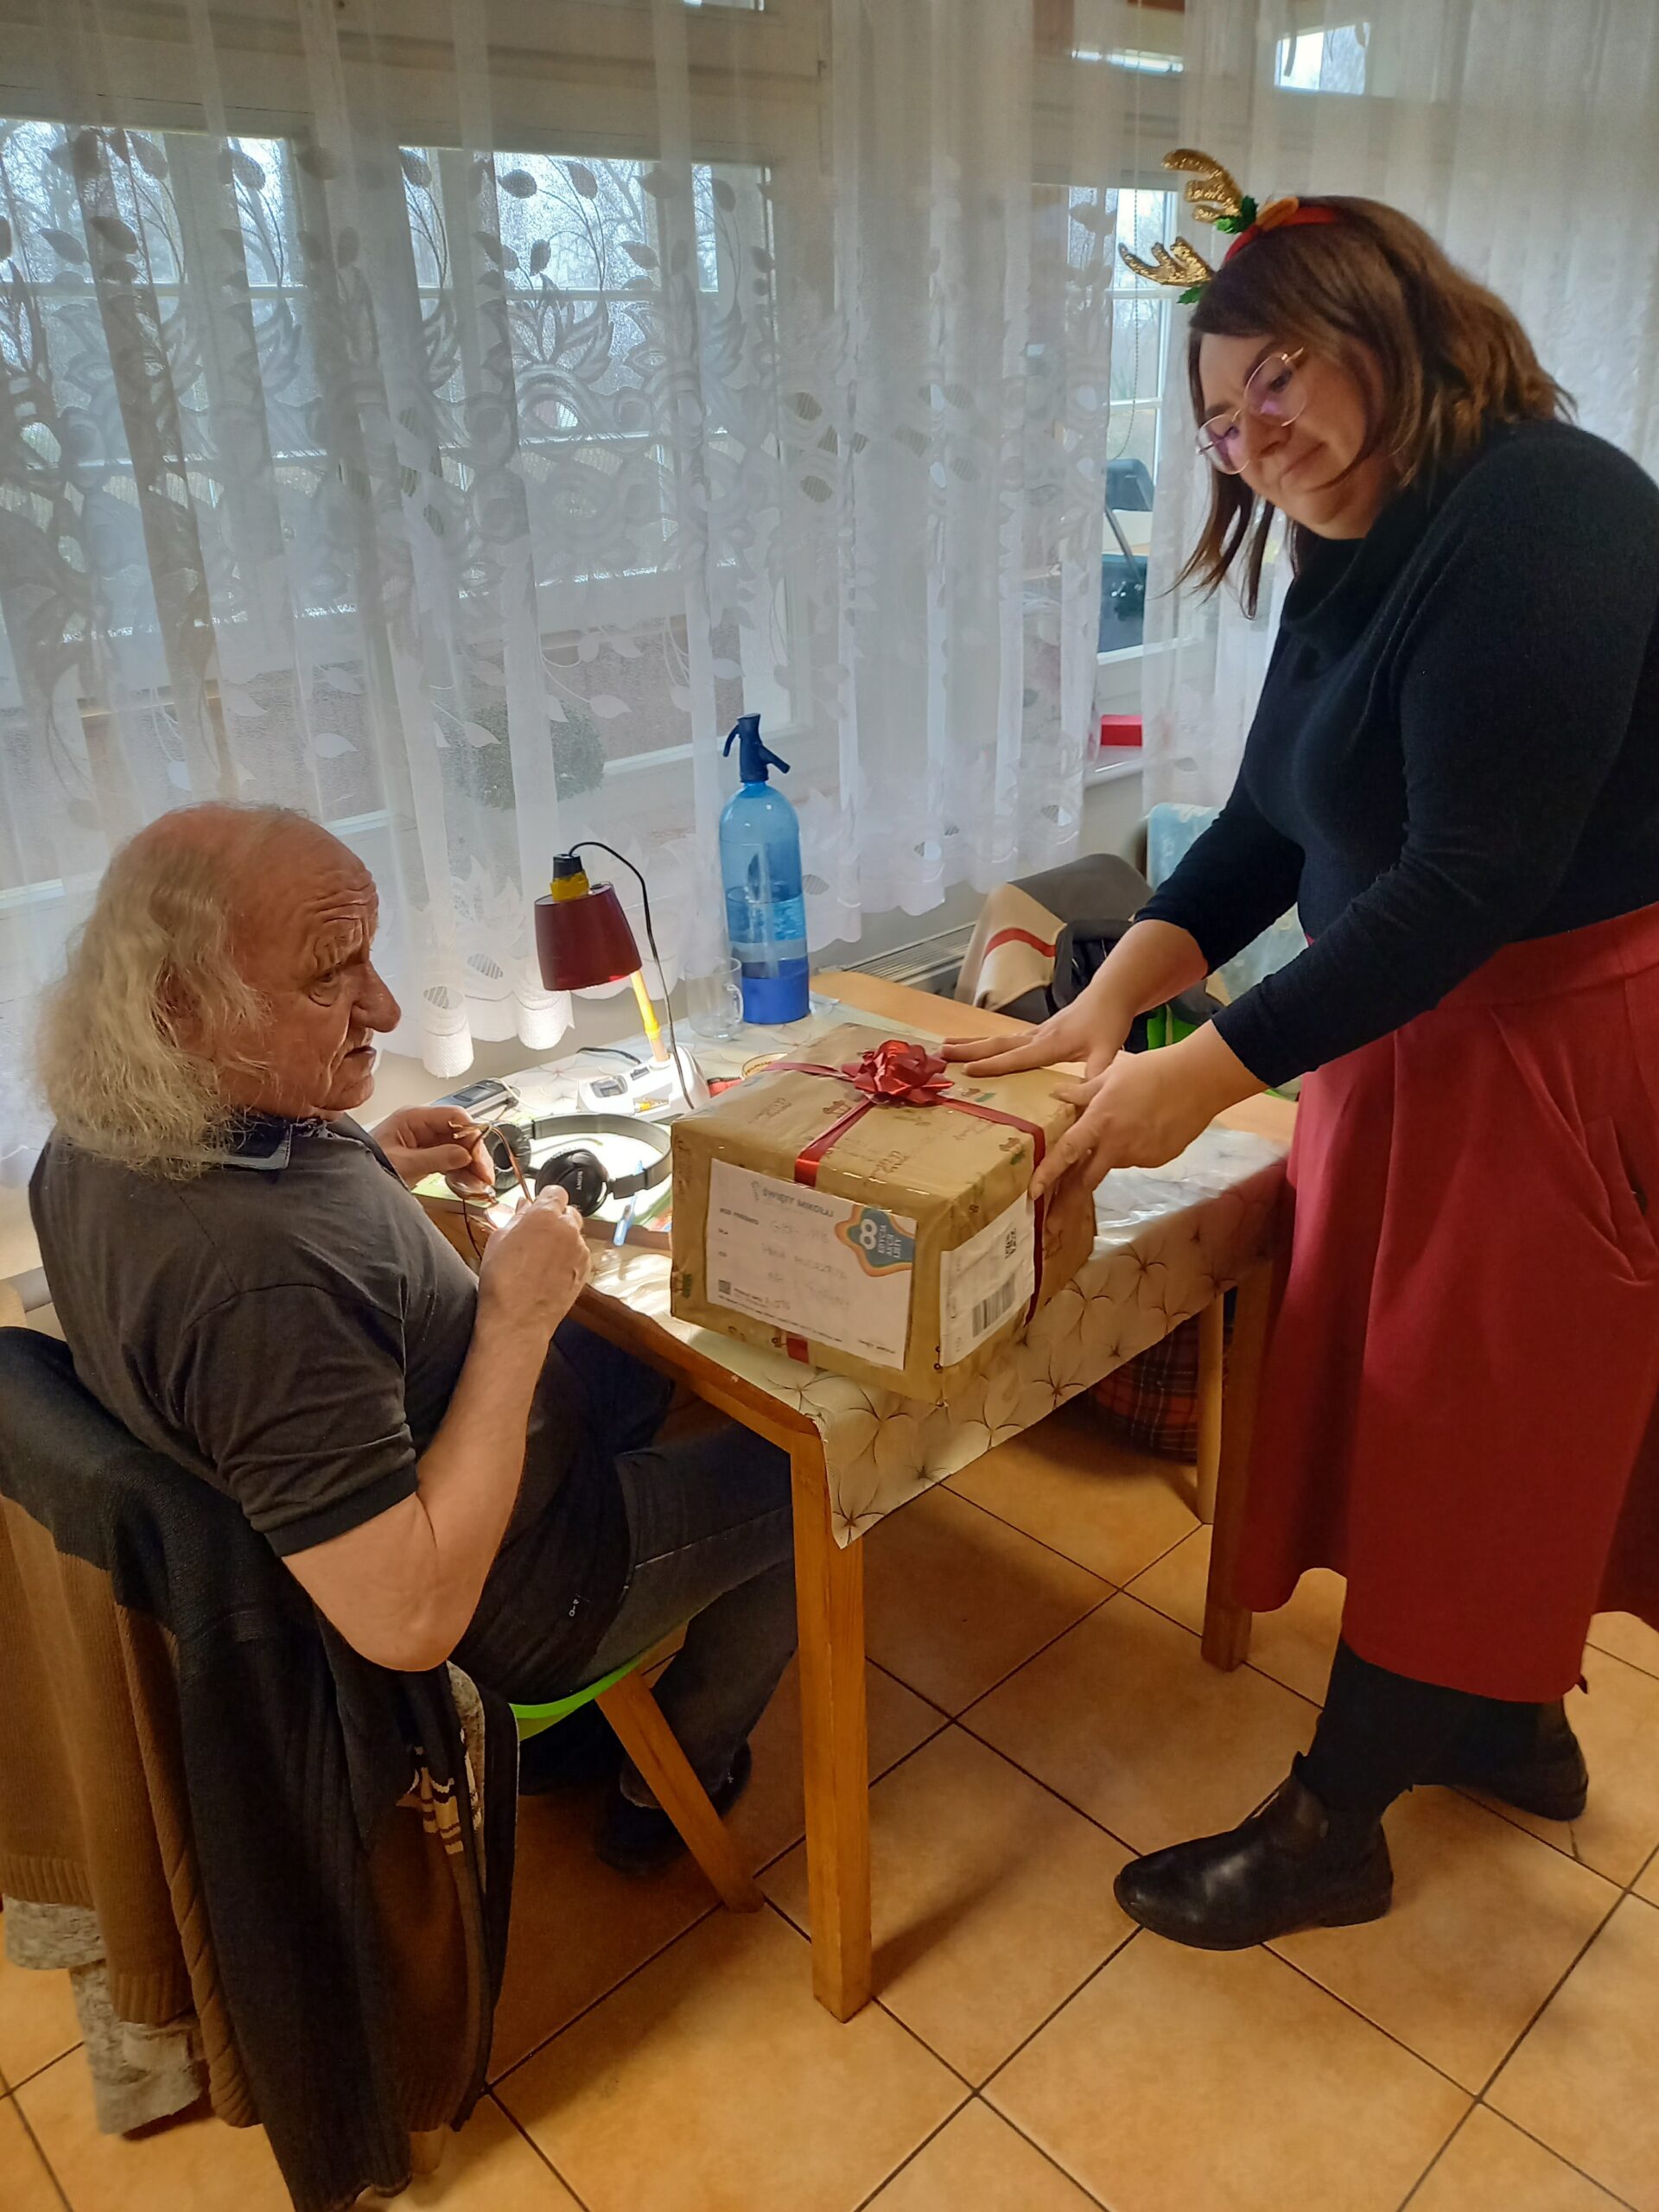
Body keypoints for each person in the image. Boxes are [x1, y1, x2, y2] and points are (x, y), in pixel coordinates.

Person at [950, 168, 1659, 1948]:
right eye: (1217, 417)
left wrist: (1209, 1070)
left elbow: (1473, 879)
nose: (1251, 437)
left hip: (1544, 1041)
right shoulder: (1351, 535)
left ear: (1388, 327)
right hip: (1405, 1029)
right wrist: (1112, 1000)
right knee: (1422, 1408)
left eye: (1274, 378)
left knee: (1471, 1423)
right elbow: (1276, 817)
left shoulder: (1550, 508)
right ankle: (1505, 1721)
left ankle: (1339, 1822)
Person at [30, 804, 797, 1876]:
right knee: (810, 1472)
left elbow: (287, 1292)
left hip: (481, 1455)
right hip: (513, 1594)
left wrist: (374, 1166)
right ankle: (670, 1782)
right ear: (179, 1008)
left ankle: (625, 1696)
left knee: (659, 1346)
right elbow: (409, 1618)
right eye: (328, 978)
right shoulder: (255, 1290)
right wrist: (518, 1318)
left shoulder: (98, 1142)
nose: (385, 1007)